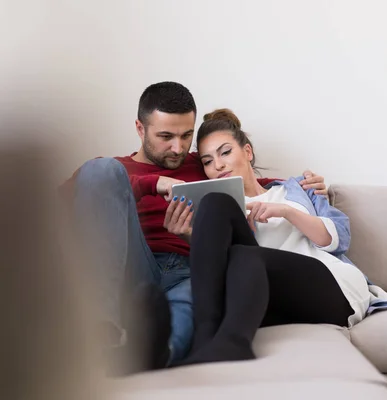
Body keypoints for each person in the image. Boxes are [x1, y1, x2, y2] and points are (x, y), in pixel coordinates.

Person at [59, 82, 329, 374]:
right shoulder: (115, 171)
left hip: (194, 269)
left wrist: (303, 186)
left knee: (188, 306)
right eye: (165, 136)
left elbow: (250, 184)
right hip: (134, 266)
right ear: (140, 128)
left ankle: (156, 355)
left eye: (186, 135)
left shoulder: (203, 163)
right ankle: (103, 335)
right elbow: (54, 210)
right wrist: (153, 183)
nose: (178, 148)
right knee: (102, 169)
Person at [163, 109, 387, 366]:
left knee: (246, 256)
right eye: (207, 161)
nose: (217, 165)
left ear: (248, 153)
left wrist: (286, 211)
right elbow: (222, 269)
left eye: (225, 152)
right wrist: (190, 236)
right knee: (217, 205)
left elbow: (337, 238)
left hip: (331, 288)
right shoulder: (222, 212)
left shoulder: (296, 190)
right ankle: (206, 339)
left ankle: (231, 343)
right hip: (268, 294)